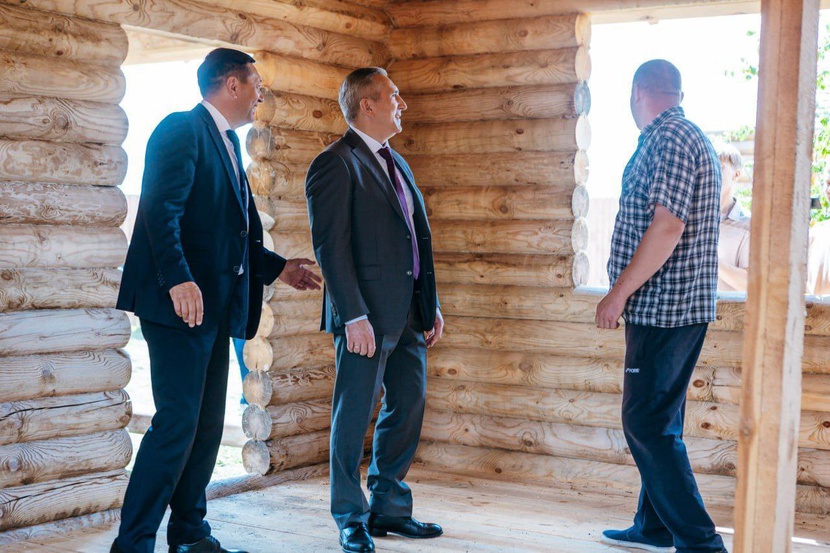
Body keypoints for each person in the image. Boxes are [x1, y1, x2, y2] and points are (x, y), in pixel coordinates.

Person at [112, 48, 321, 553]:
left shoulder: (227, 142)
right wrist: (178, 280)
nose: (260, 95)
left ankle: (190, 535)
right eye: (256, 85)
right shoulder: (181, 129)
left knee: (205, 429)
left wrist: (280, 268)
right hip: (177, 308)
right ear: (232, 85)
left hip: (214, 310)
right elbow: (160, 212)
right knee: (177, 424)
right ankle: (132, 544)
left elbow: (232, 235)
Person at [305, 67, 444, 553]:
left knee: (407, 406)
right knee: (354, 415)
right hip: (363, 318)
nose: (402, 103)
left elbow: (414, 238)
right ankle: (350, 517)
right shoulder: (334, 163)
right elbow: (331, 247)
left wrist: (430, 303)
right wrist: (353, 316)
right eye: (394, 95)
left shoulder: (396, 161)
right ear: (368, 104)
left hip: (409, 313)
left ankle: (388, 508)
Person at [595, 60, 728, 553]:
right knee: (660, 420)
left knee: (646, 423)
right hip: (671, 308)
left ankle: (700, 542)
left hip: (664, 308)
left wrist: (618, 293)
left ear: (637, 92)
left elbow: (667, 226)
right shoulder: (679, 136)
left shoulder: (670, 137)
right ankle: (654, 528)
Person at [716, 144, 750, 292]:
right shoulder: (691, 219)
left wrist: (709, 257)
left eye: (720, 167)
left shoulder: (749, 226)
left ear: (736, 175)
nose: (712, 172)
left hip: (728, 307)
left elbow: (750, 284)